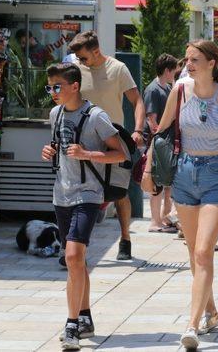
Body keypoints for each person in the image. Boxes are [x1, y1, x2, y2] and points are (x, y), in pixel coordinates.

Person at [141, 40, 218, 350]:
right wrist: (148, 169)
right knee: (195, 252)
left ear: (211, 62)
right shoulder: (180, 91)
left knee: (204, 252)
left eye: (195, 59)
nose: (188, 64)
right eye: (186, 59)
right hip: (183, 174)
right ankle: (211, 311)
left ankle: (191, 325)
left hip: (216, 174)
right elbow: (161, 131)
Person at [41, 63, 126, 351]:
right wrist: (48, 150)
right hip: (61, 195)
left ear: (74, 86)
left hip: (88, 194)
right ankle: (86, 316)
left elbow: (120, 154)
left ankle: (72, 324)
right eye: (49, 87)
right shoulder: (55, 114)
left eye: (57, 86)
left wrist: (88, 153)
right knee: (78, 261)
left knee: (73, 257)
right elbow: (58, 147)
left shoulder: (96, 116)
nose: (52, 92)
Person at [69, 31, 146, 261]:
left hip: (113, 138)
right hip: (83, 139)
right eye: (78, 58)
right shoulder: (76, 69)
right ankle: (77, 243)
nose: (80, 62)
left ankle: (125, 238)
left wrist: (138, 130)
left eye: (83, 58)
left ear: (96, 51)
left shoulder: (118, 68)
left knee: (119, 192)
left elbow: (137, 100)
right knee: (81, 190)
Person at [144, 53, 179, 233]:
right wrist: (159, 138)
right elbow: (151, 120)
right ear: (167, 71)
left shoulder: (165, 87)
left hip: (165, 141)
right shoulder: (153, 90)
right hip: (158, 142)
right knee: (156, 182)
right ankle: (155, 222)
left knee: (166, 182)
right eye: (174, 71)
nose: (175, 74)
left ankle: (164, 218)